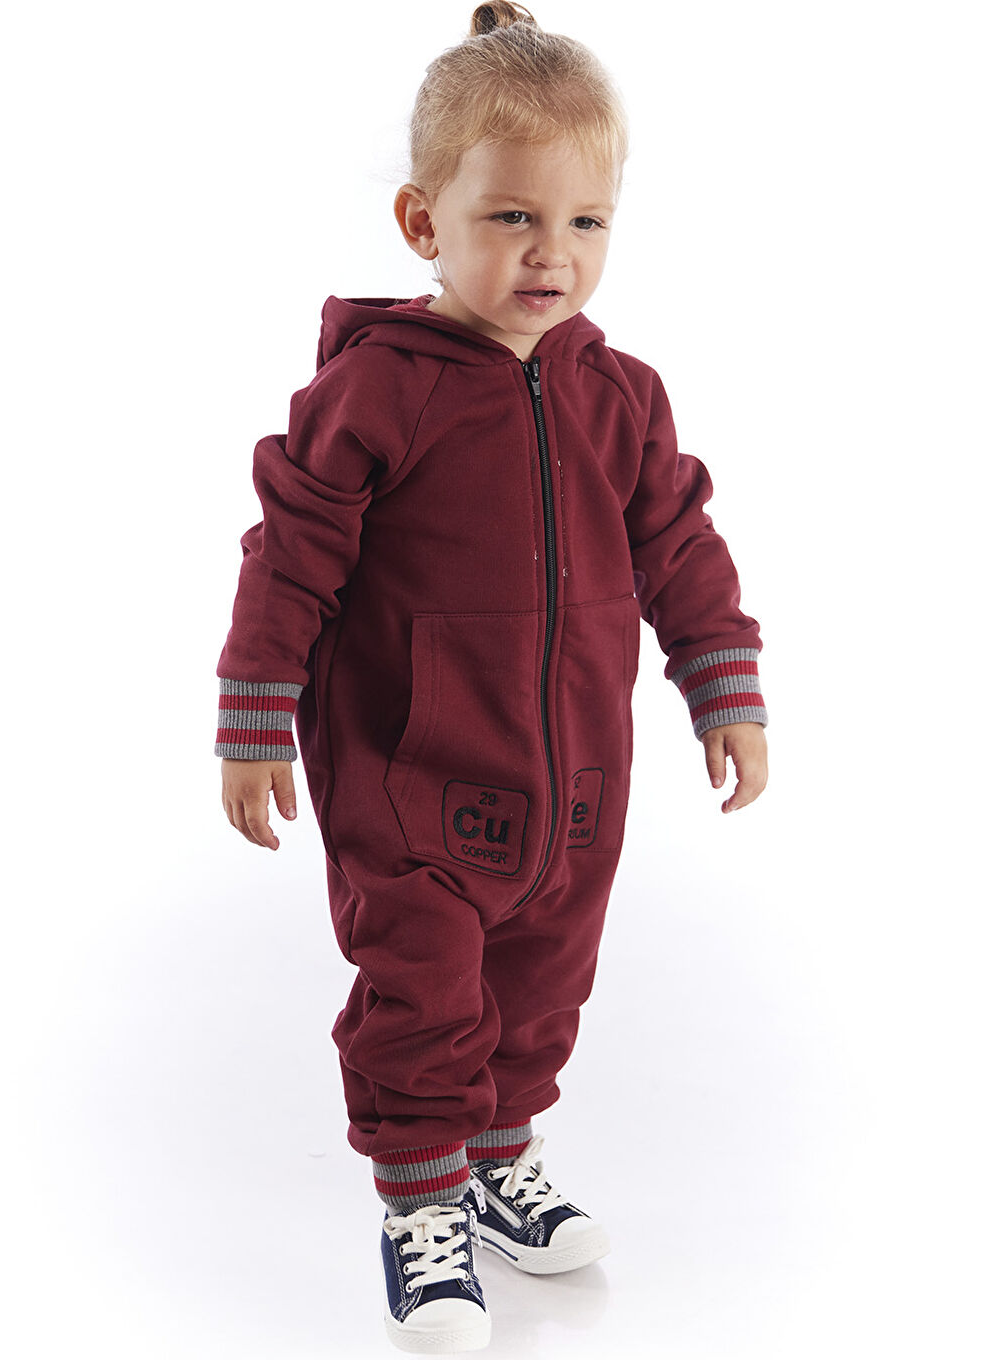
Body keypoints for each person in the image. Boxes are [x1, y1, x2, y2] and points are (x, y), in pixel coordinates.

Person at [215, 2, 769, 1351]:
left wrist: (724, 681)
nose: (551, 253)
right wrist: (254, 715)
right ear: (424, 222)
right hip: (409, 767)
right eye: (512, 217)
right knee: (421, 991)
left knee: (538, 981)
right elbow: (291, 552)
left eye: (586, 222)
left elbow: (679, 542)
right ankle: (422, 1202)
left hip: (574, 778)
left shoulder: (619, 394)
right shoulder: (379, 391)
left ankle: (500, 1154)